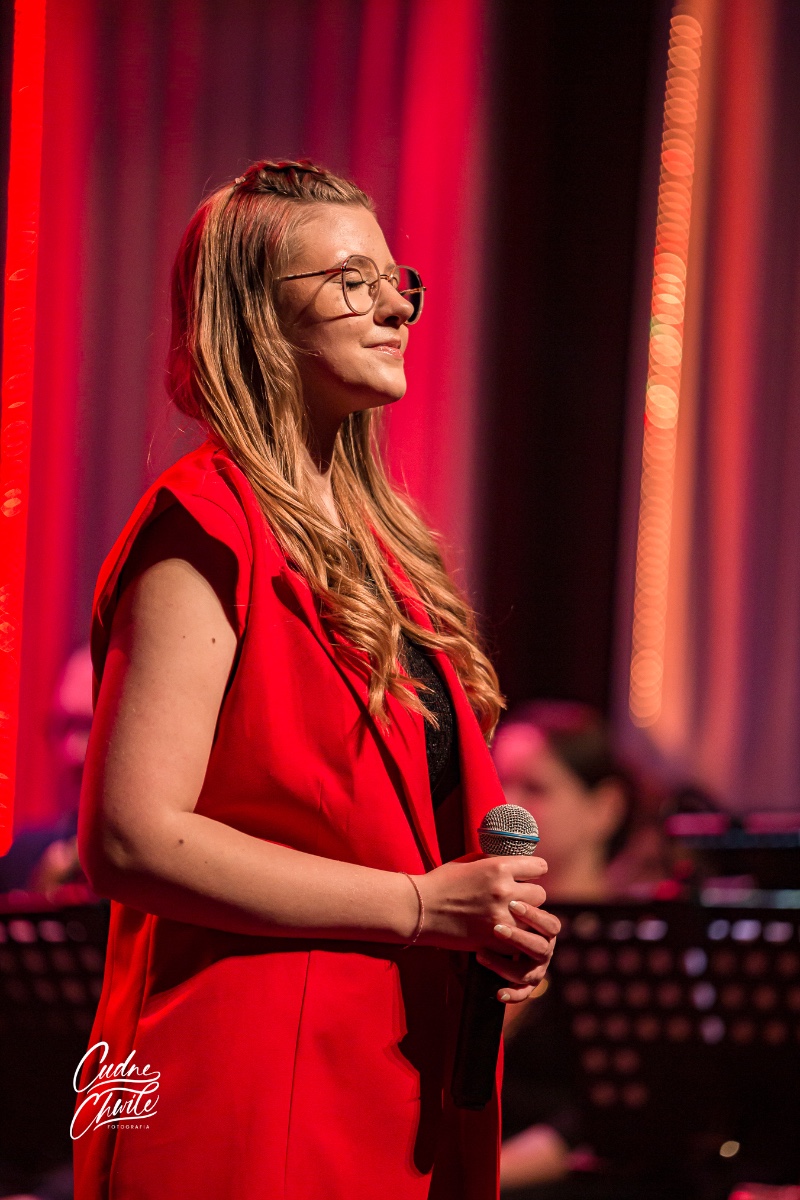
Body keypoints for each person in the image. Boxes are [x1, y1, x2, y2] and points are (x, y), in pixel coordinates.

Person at [73, 160, 559, 1200]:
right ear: (256, 319)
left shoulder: (389, 555)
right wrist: (423, 907)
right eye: (350, 281)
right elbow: (130, 836)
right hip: (250, 1088)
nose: (396, 307)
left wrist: (488, 930)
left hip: (388, 1078)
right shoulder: (204, 527)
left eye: (396, 280)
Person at [492, 702, 644, 1196]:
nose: (507, 806)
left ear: (605, 808)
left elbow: (596, 1119)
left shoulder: (629, 948)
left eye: (535, 788)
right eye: (499, 784)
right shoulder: (478, 928)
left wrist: (472, 1179)